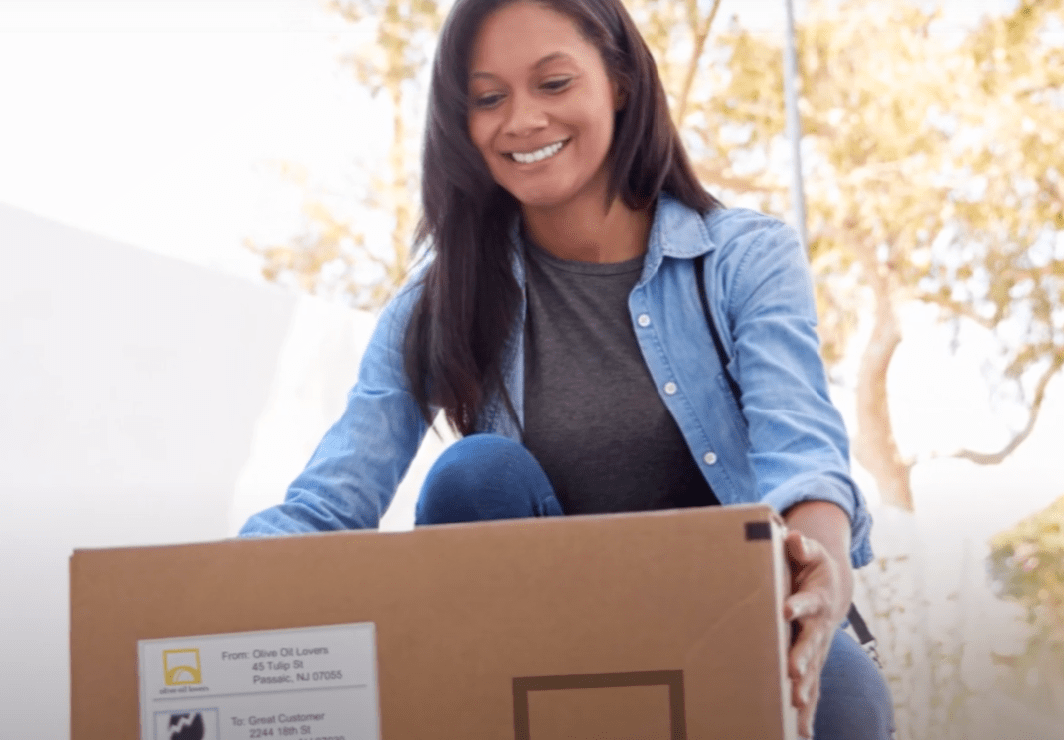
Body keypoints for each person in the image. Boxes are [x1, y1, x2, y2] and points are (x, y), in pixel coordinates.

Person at [240, 0, 893, 737]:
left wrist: (824, 575)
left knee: (846, 700)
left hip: (721, 612)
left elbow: (801, 454)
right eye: (489, 98)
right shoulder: (439, 302)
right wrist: (183, 602)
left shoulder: (741, 260)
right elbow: (330, 502)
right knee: (475, 475)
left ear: (617, 81)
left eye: (553, 83)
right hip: (540, 634)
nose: (521, 120)